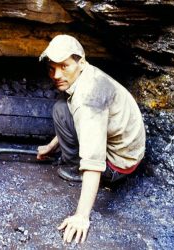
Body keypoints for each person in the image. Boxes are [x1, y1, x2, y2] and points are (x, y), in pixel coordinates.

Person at [37, 34, 146, 244]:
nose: (56, 74)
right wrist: (51, 146)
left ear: (81, 62)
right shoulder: (88, 75)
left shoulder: (87, 101)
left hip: (118, 167)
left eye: (64, 66)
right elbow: (81, 120)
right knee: (63, 106)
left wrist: (81, 216)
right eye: (52, 68)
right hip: (128, 150)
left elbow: (94, 162)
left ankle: (72, 169)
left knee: (60, 110)